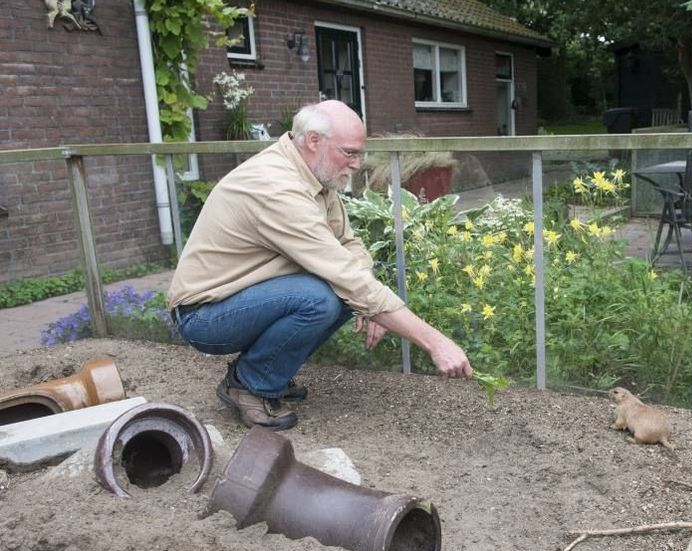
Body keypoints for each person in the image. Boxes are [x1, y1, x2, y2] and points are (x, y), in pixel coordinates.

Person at [166, 100, 472, 431]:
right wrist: (435, 343)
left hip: (241, 298)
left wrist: (370, 305)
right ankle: (249, 384)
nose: (357, 164)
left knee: (337, 293)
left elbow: (348, 245)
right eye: (350, 153)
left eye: (359, 154)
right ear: (313, 141)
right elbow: (343, 273)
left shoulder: (314, 177)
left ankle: (268, 372)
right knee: (320, 298)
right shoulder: (276, 188)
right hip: (205, 315)